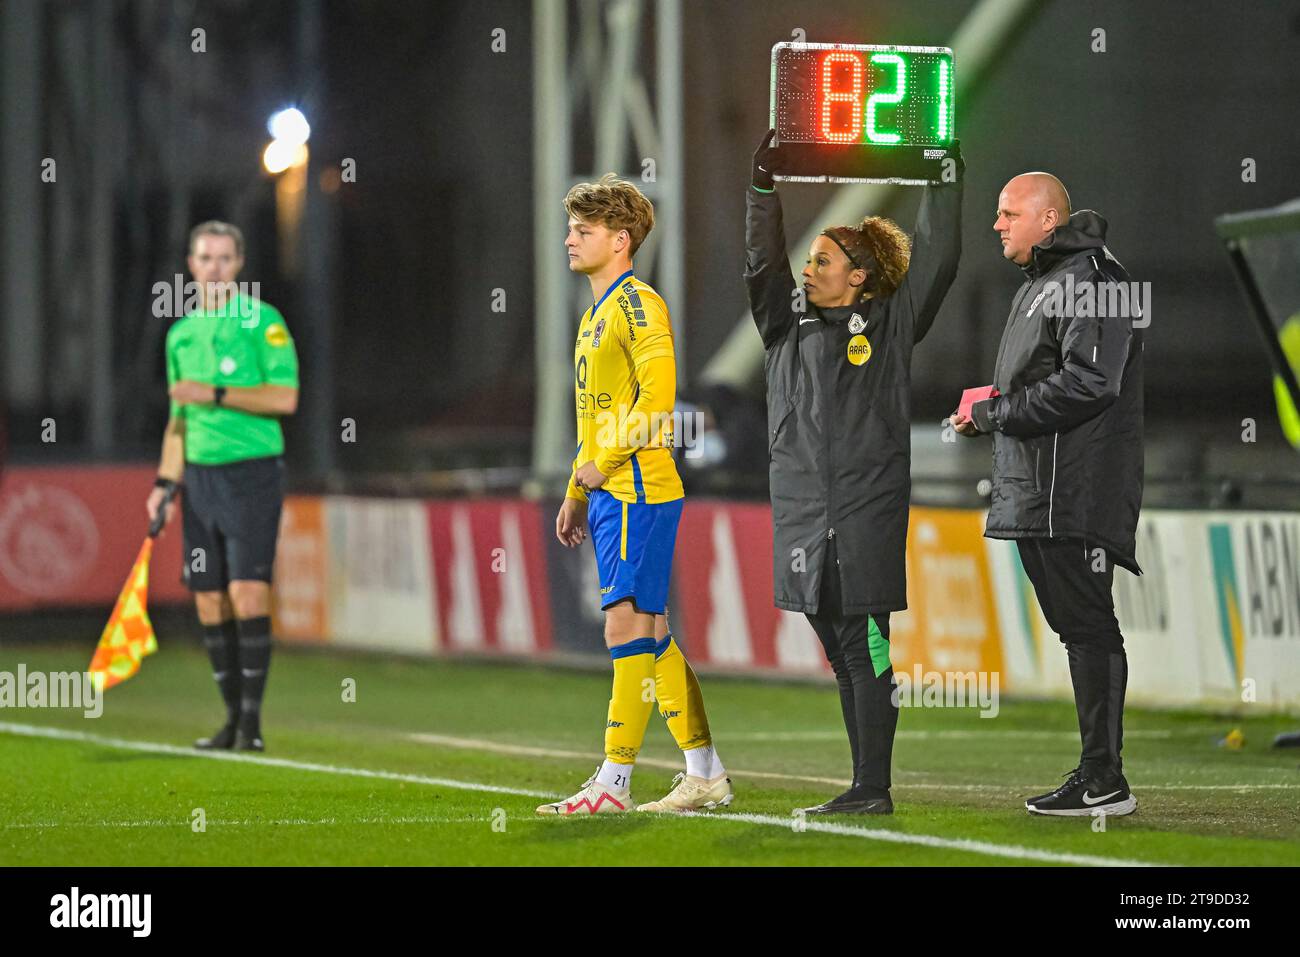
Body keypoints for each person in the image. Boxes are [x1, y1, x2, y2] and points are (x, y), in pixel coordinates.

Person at [746, 130, 963, 815]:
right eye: (807, 259)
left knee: (865, 648)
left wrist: (946, 177)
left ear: (860, 275)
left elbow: (939, 258)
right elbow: (761, 265)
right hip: (804, 514)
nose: (807, 268)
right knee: (843, 652)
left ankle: (873, 787)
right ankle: (865, 784)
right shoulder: (786, 326)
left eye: (823, 260)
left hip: (865, 516)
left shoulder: (893, 325)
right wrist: (762, 191)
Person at [537, 174, 732, 816]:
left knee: (625, 626)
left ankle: (614, 783)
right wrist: (574, 485)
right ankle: (703, 771)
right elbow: (597, 415)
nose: (569, 240)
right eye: (571, 228)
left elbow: (657, 403)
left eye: (583, 231)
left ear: (621, 241)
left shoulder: (637, 305)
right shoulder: (596, 312)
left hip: (638, 487)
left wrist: (601, 465)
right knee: (652, 629)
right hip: (609, 490)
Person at [953, 172, 1143, 816]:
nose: (998, 225)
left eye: (1009, 213)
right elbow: (1053, 376)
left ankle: (1105, 780)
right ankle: (1097, 773)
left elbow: (1092, 382)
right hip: (1044, 489)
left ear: (1048, 219)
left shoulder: (1094, 279)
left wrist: (997, 412)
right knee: (1080, 629)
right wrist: (991, 407)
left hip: (1074, 490)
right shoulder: (1050, 281)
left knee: (1088, 627)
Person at [147, 221, 299, 752]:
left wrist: (212, 392)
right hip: (199, 479)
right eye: (205, 258)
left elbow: (283, 399)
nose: (214, 268)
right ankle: (230, 721)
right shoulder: (181, 334)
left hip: (253, 472)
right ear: (191, 265)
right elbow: (177, 420)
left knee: (246, 591)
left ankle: (252, 726)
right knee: (209, 600)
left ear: (239, 265)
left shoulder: (264, 322)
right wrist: (165, 484)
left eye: (224, 258)